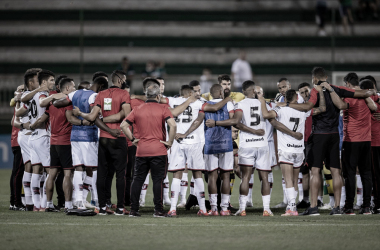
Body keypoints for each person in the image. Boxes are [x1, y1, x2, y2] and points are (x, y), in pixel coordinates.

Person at [276, 67, 377, 216]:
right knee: (336, 171)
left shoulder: (315, 91)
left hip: (319, 135)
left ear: (314, 79)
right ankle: (337, 207)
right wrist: (372, 92)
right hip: (334, 135)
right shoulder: (336, 89)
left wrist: (287, 105)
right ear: (327, 77)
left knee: (315, 171)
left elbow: (308, 107)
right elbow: (363, 93)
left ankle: (314, 207)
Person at [167, 85, 233, 217]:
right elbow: (214, 108)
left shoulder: (172, 101)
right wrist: (227, 99)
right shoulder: (199, 103)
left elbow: (154, 99)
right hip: (195, 142)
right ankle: (203, 209)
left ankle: (173, 208)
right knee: (197, 174)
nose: (198, 94)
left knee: (177, 175)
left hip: (177, 141)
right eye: (196, 92)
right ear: (191, 93)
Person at [74, 70, 131, 215]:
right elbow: (126, 114)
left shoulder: (101, 94)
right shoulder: (124, 94)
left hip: (104, 139)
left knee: (102, 174)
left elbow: (93, 116)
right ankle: (119, 208)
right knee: (120, 174)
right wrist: (114, 122)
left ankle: (103, 207)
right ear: (119, 80)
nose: (125, 81)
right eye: (124, 79)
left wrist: (84, 115)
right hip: (119, 136)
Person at [260, 87, 325, 216]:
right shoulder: (304, 111)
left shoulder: (280, 109)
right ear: (296, 98)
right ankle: (291, 206)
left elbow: (266, 115)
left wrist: (262, 101)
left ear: (285, 99)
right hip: (299, 150)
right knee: (295, 180)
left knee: (288, 180)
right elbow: (322, 109)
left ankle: (292, 208)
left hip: (286, 149)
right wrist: (321, 94)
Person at [323, 73, 378, 215]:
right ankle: (366, 206)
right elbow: (374, 108)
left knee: (350, 174)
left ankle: (348, 206)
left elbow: (340, 105)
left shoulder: (349, 97)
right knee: (366, 174)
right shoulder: (368, 97)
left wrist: (331, 91)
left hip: (351, 140)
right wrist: (366, 94)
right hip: (367, 141)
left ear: (347, 84)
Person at [121, 79, 176, 217]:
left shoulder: (137, 109)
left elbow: (123, 125)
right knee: (158, 180)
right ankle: (158, 210)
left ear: (146, 95)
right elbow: (173, 125)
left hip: (142, 149)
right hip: (158, 149)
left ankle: (134, 210)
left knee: (138, 179)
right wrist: (169, 142)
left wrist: (133, 139)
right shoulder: (163, 108)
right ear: (158, 96)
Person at [27, 69, 55, 211]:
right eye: (51, 80)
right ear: (43, 82)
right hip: (42, 135)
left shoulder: (32, 96)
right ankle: (45, 204)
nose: (53, 83)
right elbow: (43, 108)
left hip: (33, 137)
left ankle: (36, 205)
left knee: (36, 172)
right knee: (51, 172)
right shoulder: (42, 95)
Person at [15, 68, 42, 211]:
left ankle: (29, 202)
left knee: (31, 168)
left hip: (28, 135)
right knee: (35, 167)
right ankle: (35, 202)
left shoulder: (26, 95)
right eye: (38, 79)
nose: (41, 82)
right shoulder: (27, 95)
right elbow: (16, 118)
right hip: (28, 134)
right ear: (31, 82)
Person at [360, 77, 380, 213]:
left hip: (373, 142)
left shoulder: (364, 99)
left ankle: (376, 204)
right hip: (374, 141)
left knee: (374, 175)